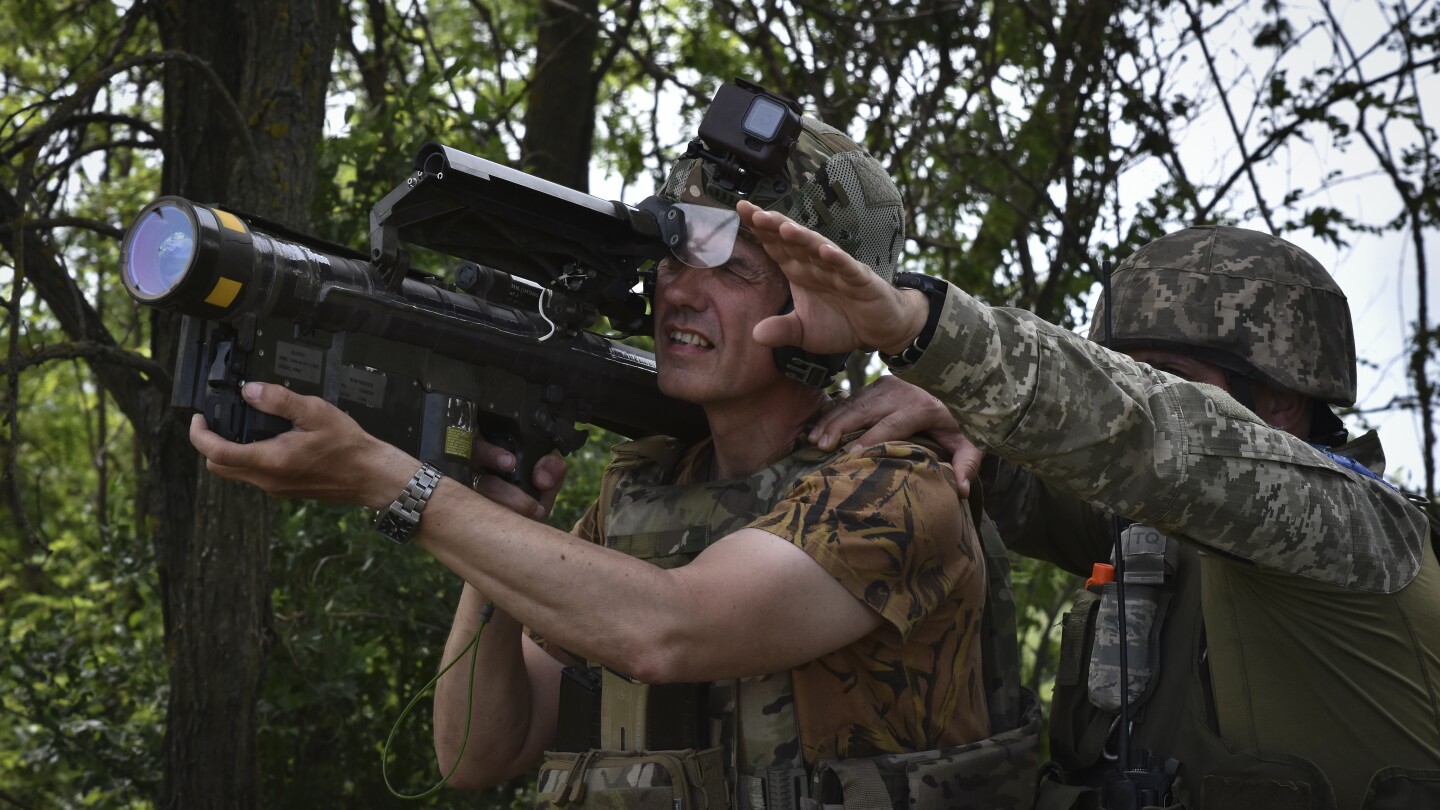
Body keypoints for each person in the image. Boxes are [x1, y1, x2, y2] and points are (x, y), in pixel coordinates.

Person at [189, 85, 1034, 810]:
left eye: (731, 269)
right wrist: (490, 532)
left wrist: (393, 484)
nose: (681, 290)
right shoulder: (649, 490)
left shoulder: (898, 489)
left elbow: (669, 630)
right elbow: (478, 752)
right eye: (673, 254)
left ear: (829, 311)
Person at [737, 209, 1440, 810]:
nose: (1134, 395)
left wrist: (925, 329)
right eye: (1119, 371)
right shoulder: (1163, 536)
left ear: (1284, 403)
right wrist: (961, 420)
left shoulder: (1358, 534)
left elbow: (1154, 440)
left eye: (1168, 381)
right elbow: (1039, 483)